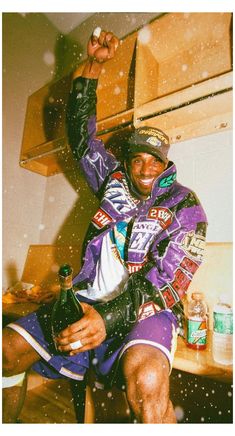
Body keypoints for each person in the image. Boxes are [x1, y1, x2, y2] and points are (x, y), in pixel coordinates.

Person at [2, 29, 207, 424]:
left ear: (166, 165)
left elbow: (165, 282)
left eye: (155, 161)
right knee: (6, 350)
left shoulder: (184, 205)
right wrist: (92, 67)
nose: (145, 168)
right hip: (85, 299)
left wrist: (110, 317)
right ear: (127, 162)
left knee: (147, 383)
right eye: (137, 159)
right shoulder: (112, 181)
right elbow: (80, 138)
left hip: (147, 309)